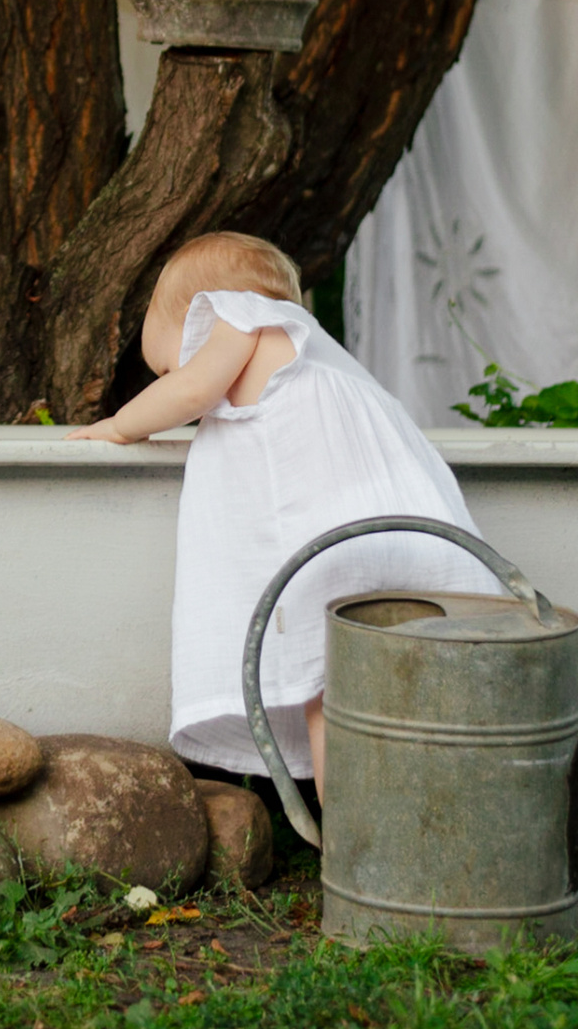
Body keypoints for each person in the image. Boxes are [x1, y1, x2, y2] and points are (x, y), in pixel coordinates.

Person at [70, 232, 494, 793]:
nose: (166, 379)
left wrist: (119, 425)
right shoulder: (322, 352)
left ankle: (349, 829)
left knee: (328, 692)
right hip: (411, 537)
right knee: (394, 693)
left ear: (197, 311)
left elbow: (193, 390)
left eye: (164, 367)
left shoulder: (236, 312)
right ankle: (423, 811)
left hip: (328, 548)